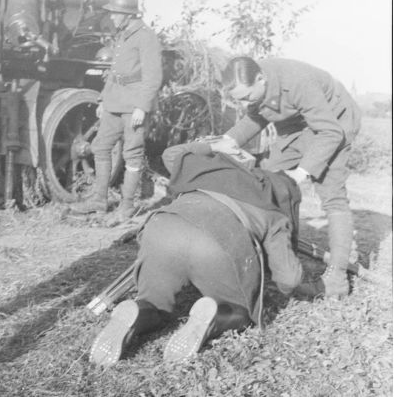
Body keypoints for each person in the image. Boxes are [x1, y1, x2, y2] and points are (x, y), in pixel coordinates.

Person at [90, 145, 303, 366]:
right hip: (217, 244)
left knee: (154, 305)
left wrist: (212, 144)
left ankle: (138, 311)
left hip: (164, 226)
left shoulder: (214, 174)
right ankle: (216, 316)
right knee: (240, 311)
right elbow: (288, 279)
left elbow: (173, 154)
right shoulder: (274, 213)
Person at [216, 56, 361, 298]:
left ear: (260, 79)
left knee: (332, 195)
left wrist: (302, 172)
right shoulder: (255, 84)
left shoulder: (298, 82)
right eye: (238, 100)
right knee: (270, 180)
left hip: (334, 122)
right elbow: (256, 115)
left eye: (246, 98)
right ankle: (283, 261)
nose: (243, 104)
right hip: (296, 125)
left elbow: (329, 131)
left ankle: (337, 279)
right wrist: (228, 140)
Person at [71, 0, 163, 223]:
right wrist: (103, 99)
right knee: (100, 147)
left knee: (132, 154)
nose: (111, 17)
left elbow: (153, 76)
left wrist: (142, 107)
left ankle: (127, 206)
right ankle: (99, 200)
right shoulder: (123, 34)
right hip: (115, 100)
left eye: (115, 13)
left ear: (128, 14)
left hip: (134, 105)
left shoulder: (146, 36)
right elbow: (114, 71)